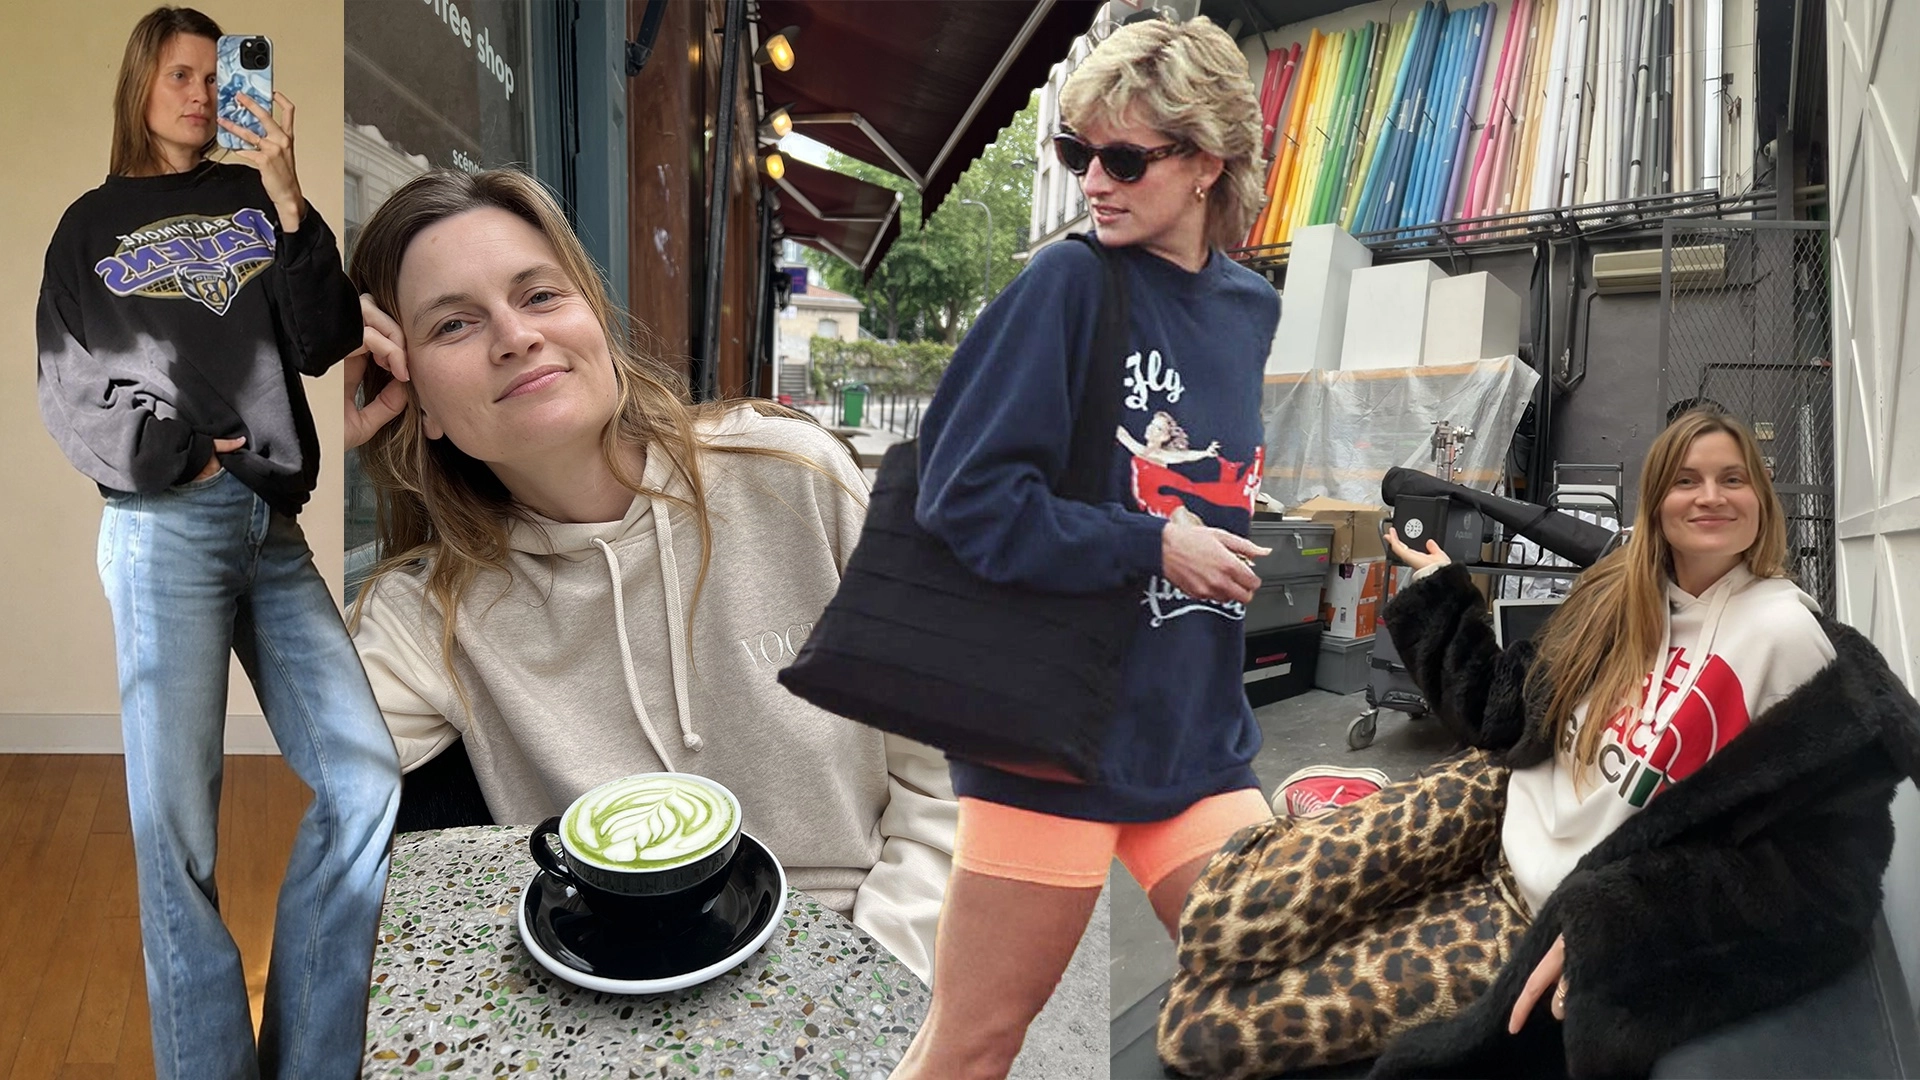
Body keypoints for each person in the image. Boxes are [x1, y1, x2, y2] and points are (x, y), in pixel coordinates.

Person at [1158, 409, 1920, 1078]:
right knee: (1220, 919)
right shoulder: (1616, 594)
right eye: (1687, 480)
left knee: (1199, 1034)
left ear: (1762, 499)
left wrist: (1621, 928)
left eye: (1733, 479)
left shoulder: (1792, 638)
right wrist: (1443, 588)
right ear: (1657, 501)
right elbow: (1506, 707)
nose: (1711, 497)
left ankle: (1340, 826)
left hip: (1540, 909)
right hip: (1492, 798)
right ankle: (1343, 815)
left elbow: (1827, 876)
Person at [339, 167, 956, 980]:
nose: (515, 336)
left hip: (862, 965)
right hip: (617, 1009)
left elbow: (944, 778)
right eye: (454, 324)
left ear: (595, 317)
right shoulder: (427, 613)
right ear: (411, 396)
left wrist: (874, 986)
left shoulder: (793, 477)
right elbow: (301, 785)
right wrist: (289, 447)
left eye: (540, 295)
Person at [890, 17, 1280, 1079]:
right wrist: (1153, 543)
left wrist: (1208, 530)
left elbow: (1210, 476)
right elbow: (965, 499)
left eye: (1123, 159)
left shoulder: (1251, 309)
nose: (1092, 182)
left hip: (1196, 738)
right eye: (1077, 153)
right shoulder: (1065, 285)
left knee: (1286, 1004)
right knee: (974, 1046)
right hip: (1052, 742)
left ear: (1206, 163)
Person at [34, 8, 400, 1078]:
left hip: (269, 526)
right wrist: (180, 457)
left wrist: (287, 196)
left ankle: (310, 1064)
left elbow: (327, 338)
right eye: (179, 75)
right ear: (140, 86)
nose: (200, 94)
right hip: (163, 531)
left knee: (365, 779)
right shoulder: (89, 226)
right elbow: (67, 386)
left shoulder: (253, 196)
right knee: (179, 840)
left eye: (213, 75)